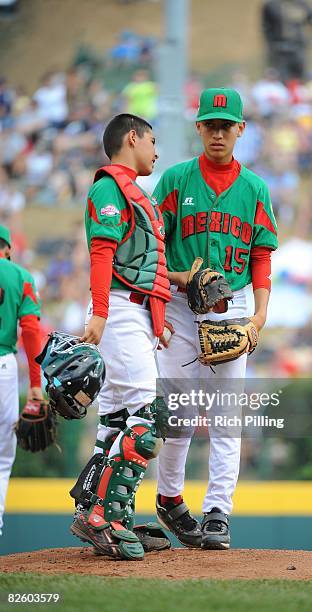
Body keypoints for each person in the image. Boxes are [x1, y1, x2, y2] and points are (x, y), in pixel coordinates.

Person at [153, 88, 278, 549]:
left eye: (227, 125)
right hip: (183, 307)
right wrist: (181, 281)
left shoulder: (255, 188)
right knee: (178, 414)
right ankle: (169, 498)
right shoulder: (175, 180)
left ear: (241, 129)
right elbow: (153, 250)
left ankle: (218, 513)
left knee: (226, 417)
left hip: (235, 306)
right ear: (199, 128)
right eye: (211, 124)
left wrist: (260, 316)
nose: (219, 132)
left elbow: (261, 255)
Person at [70, 114, 172, 561]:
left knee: (115, 420)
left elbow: (142, 270)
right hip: (117, 312)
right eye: (152, 140)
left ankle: (102, 511)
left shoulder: (133, 190)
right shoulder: (109, 186)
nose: (155, 149)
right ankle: (105, 520)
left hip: (133, 313)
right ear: (132, 138)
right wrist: (101, 313)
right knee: (148, 419)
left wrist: (157, 318)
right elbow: (102, 254)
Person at [0, 224, 43, 535]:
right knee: (1, 458)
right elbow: (30, 331)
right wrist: (35, 385)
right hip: (3, 366)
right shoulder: (19, 276)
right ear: (7, 249)